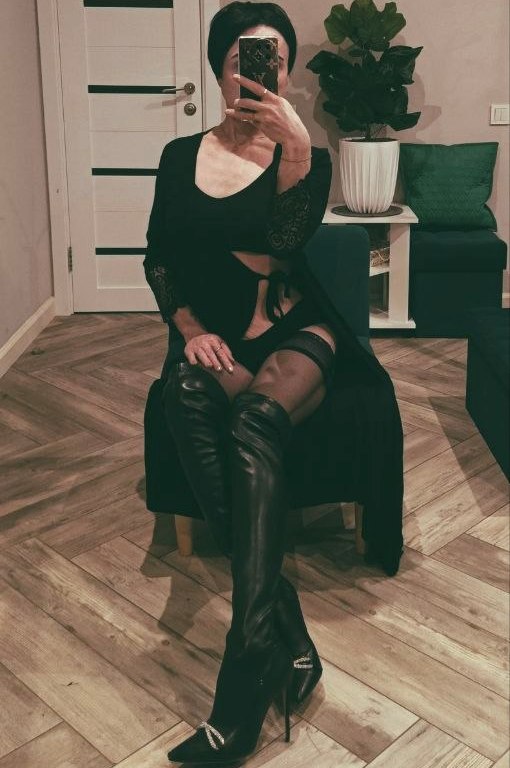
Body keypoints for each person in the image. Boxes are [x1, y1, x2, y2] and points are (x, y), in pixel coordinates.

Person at [143, 3, 404, 763]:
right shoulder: (178, 156)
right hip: (221, 333)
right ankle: (284, 630)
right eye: (243, 60)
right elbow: (159, 257)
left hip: (299, 329)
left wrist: (294, 152)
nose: (259, 73)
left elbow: (285, 241)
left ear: (286, 73)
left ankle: (246, 660)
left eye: (274, 60)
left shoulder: (304, 154)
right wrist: (190, 329)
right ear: (219, 70)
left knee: (255, 420)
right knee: (184, 394)